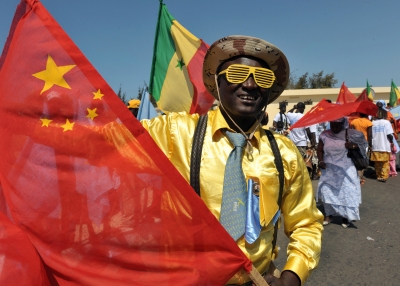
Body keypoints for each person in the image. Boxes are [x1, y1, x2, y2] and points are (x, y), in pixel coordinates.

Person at [142, 35, 323, 286]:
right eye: (237, 74)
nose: (249, 85)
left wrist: (292, 276)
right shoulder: (174, 132)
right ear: (218, 82)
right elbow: (105, 137)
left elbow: (307, 223)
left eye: (262, 78)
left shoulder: (285, 153)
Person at [316, 118, 367, 228]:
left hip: (346, 169)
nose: (334, 128)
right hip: (329, 169)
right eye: (332, 124)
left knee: (347, 192)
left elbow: (364, 145)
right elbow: (319, 149)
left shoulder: (351, 134)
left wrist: (352, 146)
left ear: (343, 124)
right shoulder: (325, 134)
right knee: (327, 192)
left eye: (337, 125)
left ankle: (345, 216)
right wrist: (320, 161)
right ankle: (329, 215)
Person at [287, 102, 317, 177]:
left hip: (293, 142)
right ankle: (300, 175)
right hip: (302, 142)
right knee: (301, 160)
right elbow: (308, 131)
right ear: (303, 108)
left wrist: (294, 108)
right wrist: (312, 141)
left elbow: (288, 112)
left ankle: (295, 175)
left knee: (295, 159)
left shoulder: (292, 115)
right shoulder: (304, 117)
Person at [370, 102, 394, 182]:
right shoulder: (387, 123)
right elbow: (389, 135)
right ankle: (383, 176)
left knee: (377, 163)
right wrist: (392, 142)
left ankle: (378, 175)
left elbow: (370, 135)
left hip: (375, 146)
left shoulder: (372, 123)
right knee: (385, 163)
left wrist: (370, 144)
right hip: (384, 146)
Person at [350, 113, 373, 185]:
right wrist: (370, 145)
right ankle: (360, 177)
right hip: (364, 143)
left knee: (356, 159)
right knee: (363, 159)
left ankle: (357, 176)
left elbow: (351, 131)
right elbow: (370, 134)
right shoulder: (368, 122)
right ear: (366, 115)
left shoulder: (354, 121)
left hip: (355, 142)